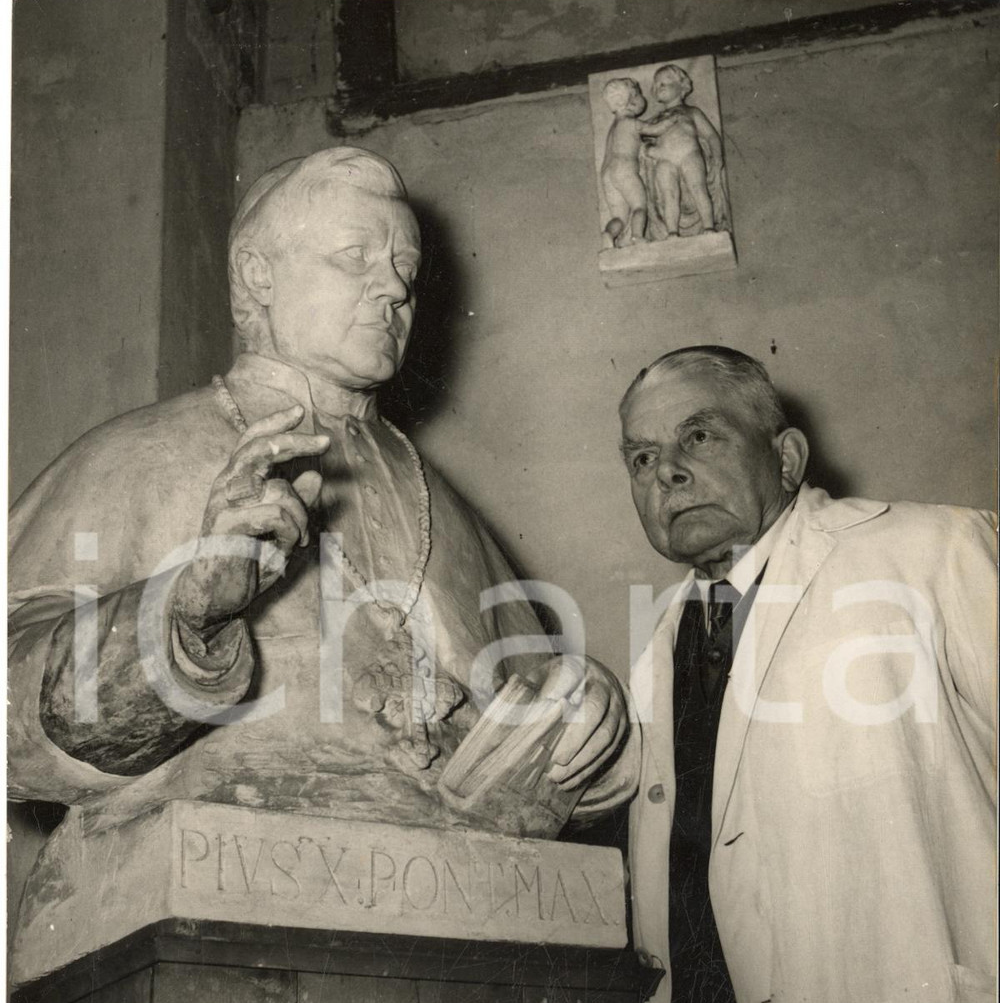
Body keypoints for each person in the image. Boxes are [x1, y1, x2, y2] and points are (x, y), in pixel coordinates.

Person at [7, 147, 625, 903]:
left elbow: (531, 715)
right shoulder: (135, 456)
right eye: (354, 257)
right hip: (218, 914)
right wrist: (182, 618)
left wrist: (592, 729)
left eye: (404, 266)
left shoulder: (442, 500)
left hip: (465, 905)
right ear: (258, 274)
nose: (394, 287)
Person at [604, 345, 995, 1003]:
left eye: (699, 436)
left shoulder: (930, 553)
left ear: (786, 455)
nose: (667, 473)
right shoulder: (657, 651)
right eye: (642, 458)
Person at [640, 64, 728, 238]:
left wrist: (717, 156)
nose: (659, 87)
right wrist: (648, 150)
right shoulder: (655, 119)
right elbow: (640, 139)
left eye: (665, 82)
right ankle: (672, 232)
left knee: (698, 189)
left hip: (689, 154)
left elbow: (711, 136)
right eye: (656, 84)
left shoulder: (691, 112)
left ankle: (709, 227)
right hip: (665, 158)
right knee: (668, 195)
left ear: (682, 86)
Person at [600, 77, 649, 248]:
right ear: (629, 100)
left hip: (607, 174)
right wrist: (670, 121)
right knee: (639, 206)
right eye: (637, 94)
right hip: (624, 171)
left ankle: (608, 234)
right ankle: (637, 237)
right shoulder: (631, 122)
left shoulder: (613, 127)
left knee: (619, 217)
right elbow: (656, 129)